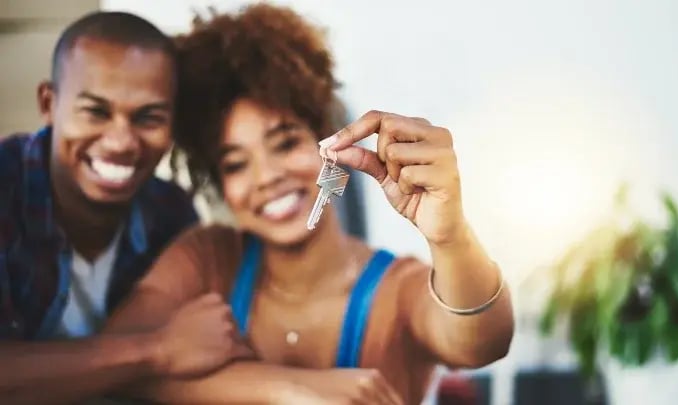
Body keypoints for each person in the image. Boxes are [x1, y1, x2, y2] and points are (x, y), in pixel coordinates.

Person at [106, 4, 514, 404]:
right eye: (235, 163)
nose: (267, 176)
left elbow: (484, 344)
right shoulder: (208, 261)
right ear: (220, 182)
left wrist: (451, 236)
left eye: (285, 143)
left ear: (330, 142)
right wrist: (285, 388)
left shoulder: (396, 290)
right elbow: (109, 369)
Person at [0, 11, 250, 404]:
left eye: (148, 118)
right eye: (96, 112)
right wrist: (158, 350)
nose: (120, 141)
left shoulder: (170, 214)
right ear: (49, 104)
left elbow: (200, 358)